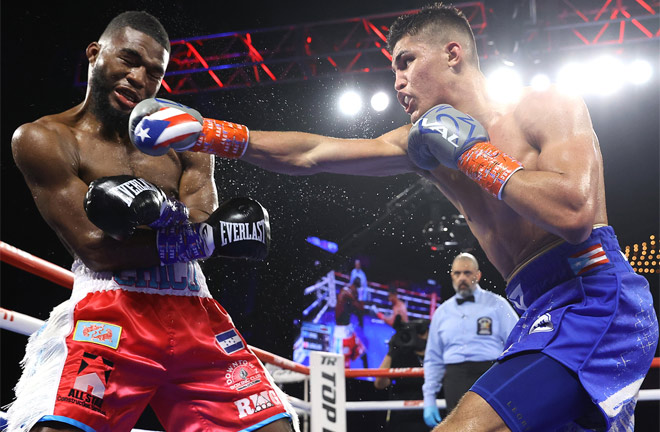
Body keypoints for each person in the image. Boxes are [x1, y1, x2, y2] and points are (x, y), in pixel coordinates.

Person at [128, 3, 659, 430]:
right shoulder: (423, 145)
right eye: (393, 69)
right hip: (535, 311)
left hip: (593, 296)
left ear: (453, 53)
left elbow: (574, 213)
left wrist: (475, 155)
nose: (398, 82)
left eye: (407, 61)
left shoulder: (545, 106)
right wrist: (208, 132)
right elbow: (312, 153)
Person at [7, 11, 298, 432]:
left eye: (153, 72)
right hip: (110, 309)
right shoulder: (45, 139)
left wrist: (167, 213)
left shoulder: (184, 136)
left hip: (194, 307)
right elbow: (95, 248)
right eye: (128, 60)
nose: (137, 77)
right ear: (95, 54)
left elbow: (202, 219)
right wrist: (203, 235)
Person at [422, 252, 518, 428]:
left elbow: (517, 342)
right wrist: (429, 398)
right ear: (452, 276)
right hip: (454, 377)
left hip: (489, 372)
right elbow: (433, 359)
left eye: (467, 273)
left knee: (492, 428)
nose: (462, 278)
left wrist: (513, 381)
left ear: (477, 275)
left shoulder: (497, 304)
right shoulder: (442, 312)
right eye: (457, 273)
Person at [374, 316, 430, 432]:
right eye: (417, 332)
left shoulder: (437, 357)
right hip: (402, 419)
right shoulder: (400, 355)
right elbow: (380, 383)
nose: (419, 336)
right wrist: (392, 350)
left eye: (421, 331)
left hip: (431, 417)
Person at [334, 280, 369, 368]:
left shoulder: (349, 295)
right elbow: (360, 308)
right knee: (343, 365)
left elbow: (359, 311)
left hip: (349, 331)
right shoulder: (345, 293)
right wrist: (358, 297)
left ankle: (368, 373)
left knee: (362, 352)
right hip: (341, 335)